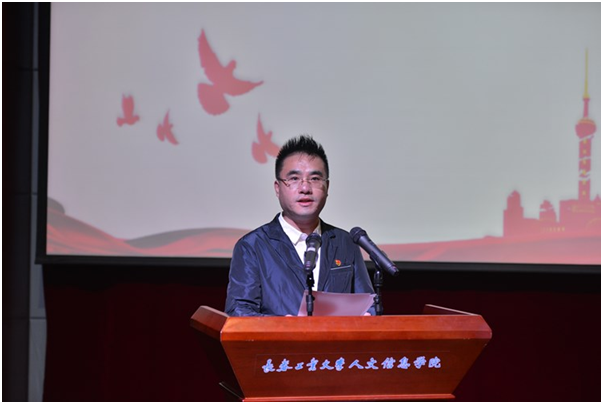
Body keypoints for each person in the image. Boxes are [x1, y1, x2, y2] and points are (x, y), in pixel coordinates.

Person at [225, 135, 376, 316]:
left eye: (315, 178)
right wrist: (282, 327)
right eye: (294, 178)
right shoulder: (252, 246)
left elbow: (367, 304)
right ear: (277, 188)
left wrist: (367, 317)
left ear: (327, 187)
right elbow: (239, 311)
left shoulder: (345, 242)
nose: (305, 188)